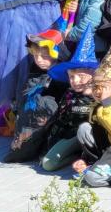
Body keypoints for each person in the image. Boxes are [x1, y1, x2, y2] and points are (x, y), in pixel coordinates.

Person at [72, 40, 111, 188]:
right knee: (84, 129)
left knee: (92, 179)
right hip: (107, 147)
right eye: (95, 87)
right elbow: (98, 132)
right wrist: (83, 158)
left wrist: (107, 102)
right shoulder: (98, 103)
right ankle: (93, 163)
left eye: (103, 86)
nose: (98, 91)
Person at [4, 26, 69, 163]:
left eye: (44, 56)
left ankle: (43, 146)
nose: (39, 60)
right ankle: (24, 148)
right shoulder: (36, 69)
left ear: (56, 55)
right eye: (35, 55)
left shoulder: (64, 73)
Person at [41, 28, 99, 171]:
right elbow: (61, 120)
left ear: (93, 75)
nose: (75, 81)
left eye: (81, 76)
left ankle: (92, 160)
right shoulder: (69, 94)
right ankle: (75, 157)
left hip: (95, 139)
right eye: (72, 76)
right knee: (48, 163)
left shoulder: (100, 94)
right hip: (72, 137)